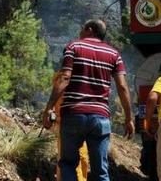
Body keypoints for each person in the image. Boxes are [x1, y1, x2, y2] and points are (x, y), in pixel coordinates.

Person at [43, 19, 134, 181]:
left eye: (82, 29)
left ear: (90, 30)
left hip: (73, 114)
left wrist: (49, 107)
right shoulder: (114, 54)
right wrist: (129, 118)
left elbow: (65, 77)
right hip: (100, 118)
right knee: (101, 170)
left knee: (68, 164)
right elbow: (122, 87)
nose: (80, 32)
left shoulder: (74, 47)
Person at [52, 72, 90, 181]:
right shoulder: (63, 77)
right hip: (68, 123)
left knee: (79, 158)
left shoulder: (62, 77)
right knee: (73, 159)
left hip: (77, 123)